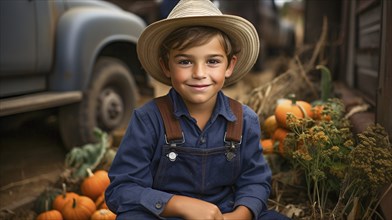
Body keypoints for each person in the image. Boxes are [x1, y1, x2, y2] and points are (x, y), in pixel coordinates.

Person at [105, 0, 289, 219]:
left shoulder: (244, 120)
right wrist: (177, 204)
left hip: (224, 214)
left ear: (229, 66)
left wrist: (241, 215)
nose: (199, 73)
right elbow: (122, 188)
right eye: (185, 62)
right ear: (166, 66)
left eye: (212, 61)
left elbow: (255, 180)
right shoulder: (148, 120)